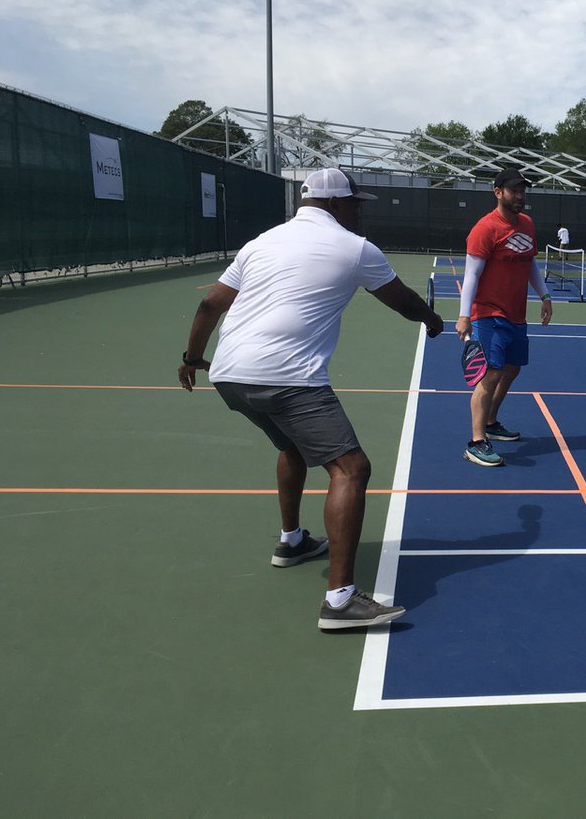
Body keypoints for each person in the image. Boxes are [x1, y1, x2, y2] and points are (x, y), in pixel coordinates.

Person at [178, 167, 443, 631]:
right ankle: (339, 602)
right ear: (335, 204)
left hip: (229, 374)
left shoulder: (259, 243)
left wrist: (192, 358)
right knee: (351, 468)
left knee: (292, 447)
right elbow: (402, 301)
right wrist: (433, 321)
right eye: (355, 203)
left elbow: (209, 304)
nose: (359, 210)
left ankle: (292, 541)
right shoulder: (356, 248)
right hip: (288, 377)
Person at [457, 168, 553, 467]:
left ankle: (491, 422)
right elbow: (471, 274)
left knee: (512, 370)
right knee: (491, 374)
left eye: (523, 191)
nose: (520, 196)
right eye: (514, 191)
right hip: (489, 313)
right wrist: (464, 316)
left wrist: (545, 295)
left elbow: (530, 264)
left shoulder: (527, 224)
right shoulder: (485, 229)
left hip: (517, 314)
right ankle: (476, 442)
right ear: (497, 192)